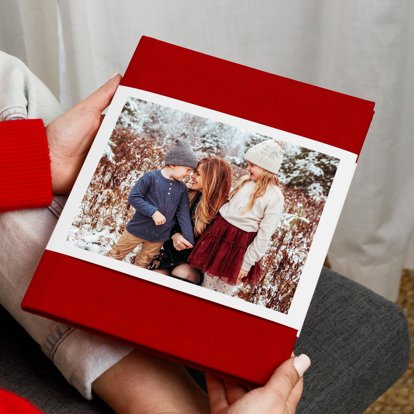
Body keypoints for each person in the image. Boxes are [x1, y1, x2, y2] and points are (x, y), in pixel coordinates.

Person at [1, 51, 410, 414]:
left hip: (222, 245)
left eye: (254, 166)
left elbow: (241, 229)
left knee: (10, 80)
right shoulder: (199, 190)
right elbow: (176, 214)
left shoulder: (255, 196)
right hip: (183, 244)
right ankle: (143, 371)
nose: (248, 169)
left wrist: (42, 159)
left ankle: (193, 333)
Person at [188, 138, 284, 286]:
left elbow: (265, 234)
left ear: (267, 168)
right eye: (248, 164)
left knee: (222, 284)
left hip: (237, 244)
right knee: (205, 278)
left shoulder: (274, 196)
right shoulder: (246, 182)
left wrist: (247, 263)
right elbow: (229, 205)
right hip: (218, 234)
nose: (247, 168)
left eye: (252, 165)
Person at [106, 139, 197, 268]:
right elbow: (134, 197)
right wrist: (153, 212)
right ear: (173, 164)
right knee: (115, 255)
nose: (189, 174)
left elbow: (183, 214)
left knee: (142, 264)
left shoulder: (182, 188)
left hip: (159, 237)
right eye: (187, 170)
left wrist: (189, 239)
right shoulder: (151, 177)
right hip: (136, 230)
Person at [150, 156, 233, 284]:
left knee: (182, 273)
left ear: (211, 179)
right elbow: (166, 221)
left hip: (194, 264)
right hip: (171, 255)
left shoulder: (224, 211)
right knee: (156, 277)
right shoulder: (186, 194)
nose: (192, 176)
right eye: (194, 172)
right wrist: (174, 235)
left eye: (198, 174)